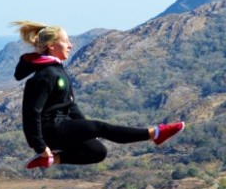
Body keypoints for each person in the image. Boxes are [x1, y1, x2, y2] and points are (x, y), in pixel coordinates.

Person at [13, 20, 185, 169]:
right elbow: (31, 113)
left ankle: (51, 159)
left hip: (62, 126)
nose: (70, 45)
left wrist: (85, 127)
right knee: (100, 127)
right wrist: (39, 145)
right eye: (66, 41)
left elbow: (70, 106)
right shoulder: (45, 75)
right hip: (51, 131)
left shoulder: (57, 71)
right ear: (52, 46)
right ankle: (155, 133)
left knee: (97, 152)